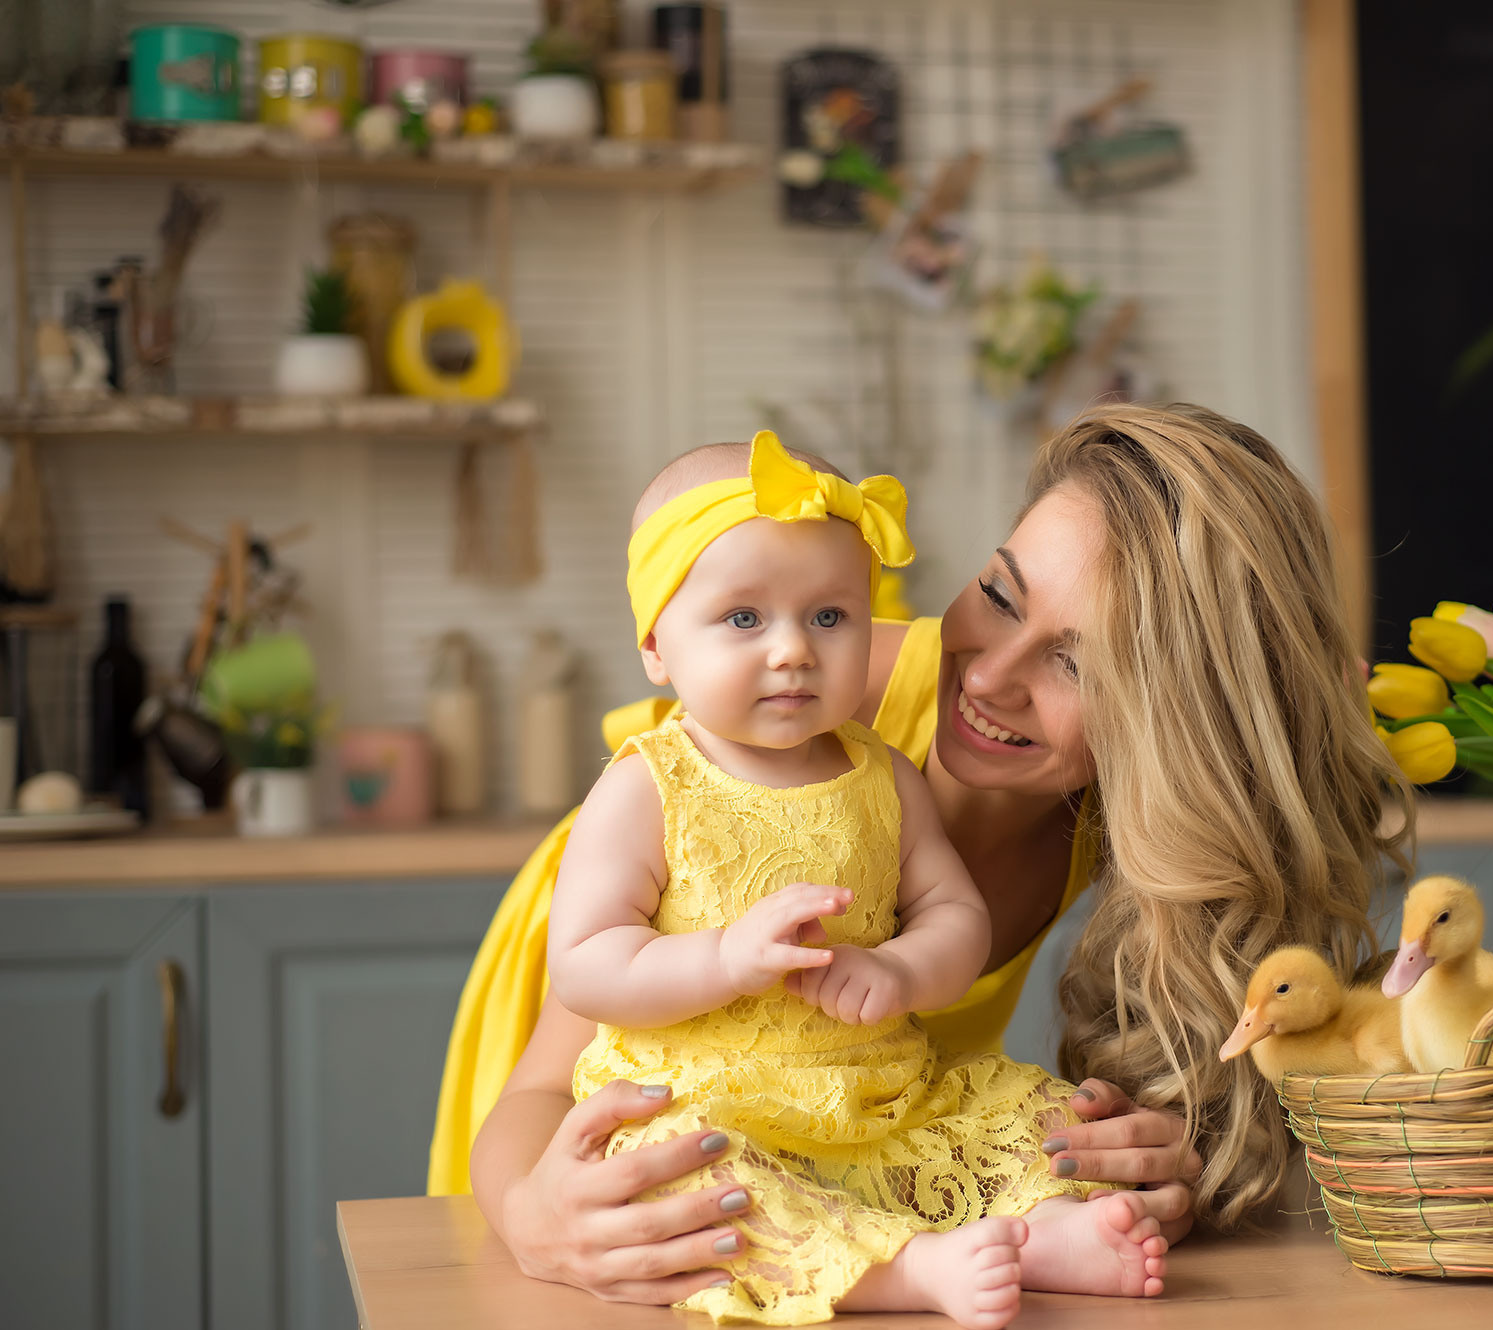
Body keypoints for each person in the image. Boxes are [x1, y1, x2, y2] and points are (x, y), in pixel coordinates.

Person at [430, 403, 1409, 1307]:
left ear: (1178, 727)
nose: (985, 672)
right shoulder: (803, 712)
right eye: (995, 593)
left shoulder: (1120, 818)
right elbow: (540, 1093)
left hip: (843, 1135)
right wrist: (534, 1220)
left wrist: (1138, 1168)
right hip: (618, 1034)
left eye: (1075, 660)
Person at [549, 432, 1166, 1326]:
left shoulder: (882, 774)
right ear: (656, 645)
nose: (794, 650)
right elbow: (586, 962)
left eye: (830, 617)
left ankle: (1047, 1237)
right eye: (744, 620)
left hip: (875, 1095)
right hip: (711, 1100)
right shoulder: (648, 785)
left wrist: (903, 972)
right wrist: (724, 958)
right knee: (693, 1185)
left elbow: (954, 912)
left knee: (1034, 1112)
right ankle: (908, 1275)